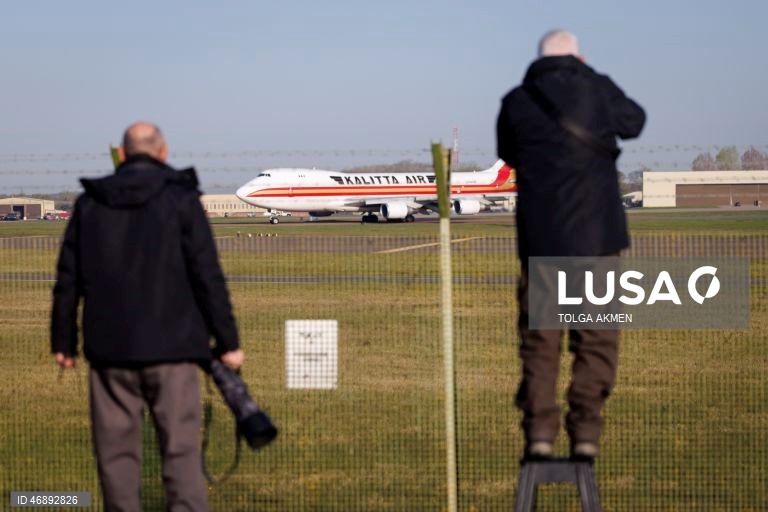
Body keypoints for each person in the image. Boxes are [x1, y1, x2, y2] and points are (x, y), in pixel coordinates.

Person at [51, 122, 244, 511]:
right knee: (180, 454)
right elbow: (207, 275)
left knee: (116, 459)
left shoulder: (90, 202)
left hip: (110, 350)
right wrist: (227, 341)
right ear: (163, 151)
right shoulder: (182, 200)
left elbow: (68, 280)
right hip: (174, 348)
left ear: (121, 155)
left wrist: (63, 342)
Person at [496, 30, 646, 459]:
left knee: (541, 343)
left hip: (542, 240)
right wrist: (591, 78)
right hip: (597, 240)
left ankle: (539, 433)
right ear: (578, 56)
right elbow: (634, 121)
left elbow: (508, 151)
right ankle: (585, 432)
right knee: (596, 338)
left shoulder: (516, 100)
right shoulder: (597, 88)